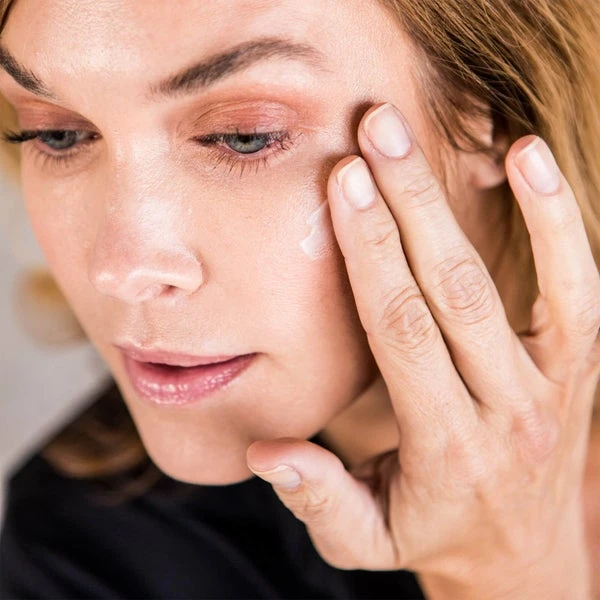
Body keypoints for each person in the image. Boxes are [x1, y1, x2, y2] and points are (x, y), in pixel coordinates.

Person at [0, 0, 599, 597]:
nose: (119, 270)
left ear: (490, 110)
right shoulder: (86, 556)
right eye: (58, 134)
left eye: (243, 136)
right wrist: (505, 570)